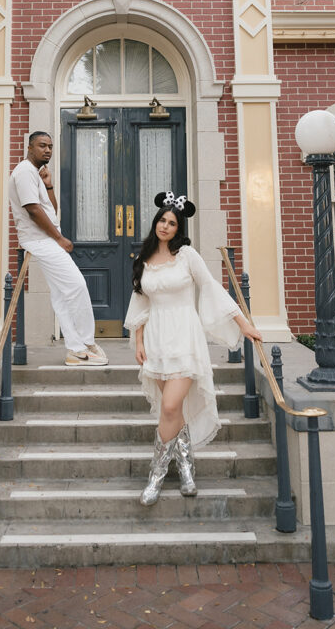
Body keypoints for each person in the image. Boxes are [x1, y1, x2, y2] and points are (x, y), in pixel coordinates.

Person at [124, 191, 263, 505]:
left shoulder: (187, 255)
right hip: (157, 338)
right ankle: (186, 467)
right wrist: (139, 341)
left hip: (185, 336)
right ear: (156, 222)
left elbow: (211, 287)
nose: (165, 226)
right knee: (173, 409)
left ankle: (155, 476)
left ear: (178, 228)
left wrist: (243, 324)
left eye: (172, 223)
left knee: (171, 407)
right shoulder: (144, 259)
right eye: (162, 220)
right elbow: (141, 302)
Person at [9, 131, 108, 367]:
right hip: (40, 240)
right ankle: (86, 343)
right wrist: (60, 239)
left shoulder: (35, 174)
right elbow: (33, 210)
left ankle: (76, 350)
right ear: (30, 147)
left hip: (45, 238)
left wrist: (49, 186)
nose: (48, 150)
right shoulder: (23, 171)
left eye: (51, 146)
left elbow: (50, 210)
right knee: (76, 286)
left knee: (62, 296)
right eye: (42, 146)